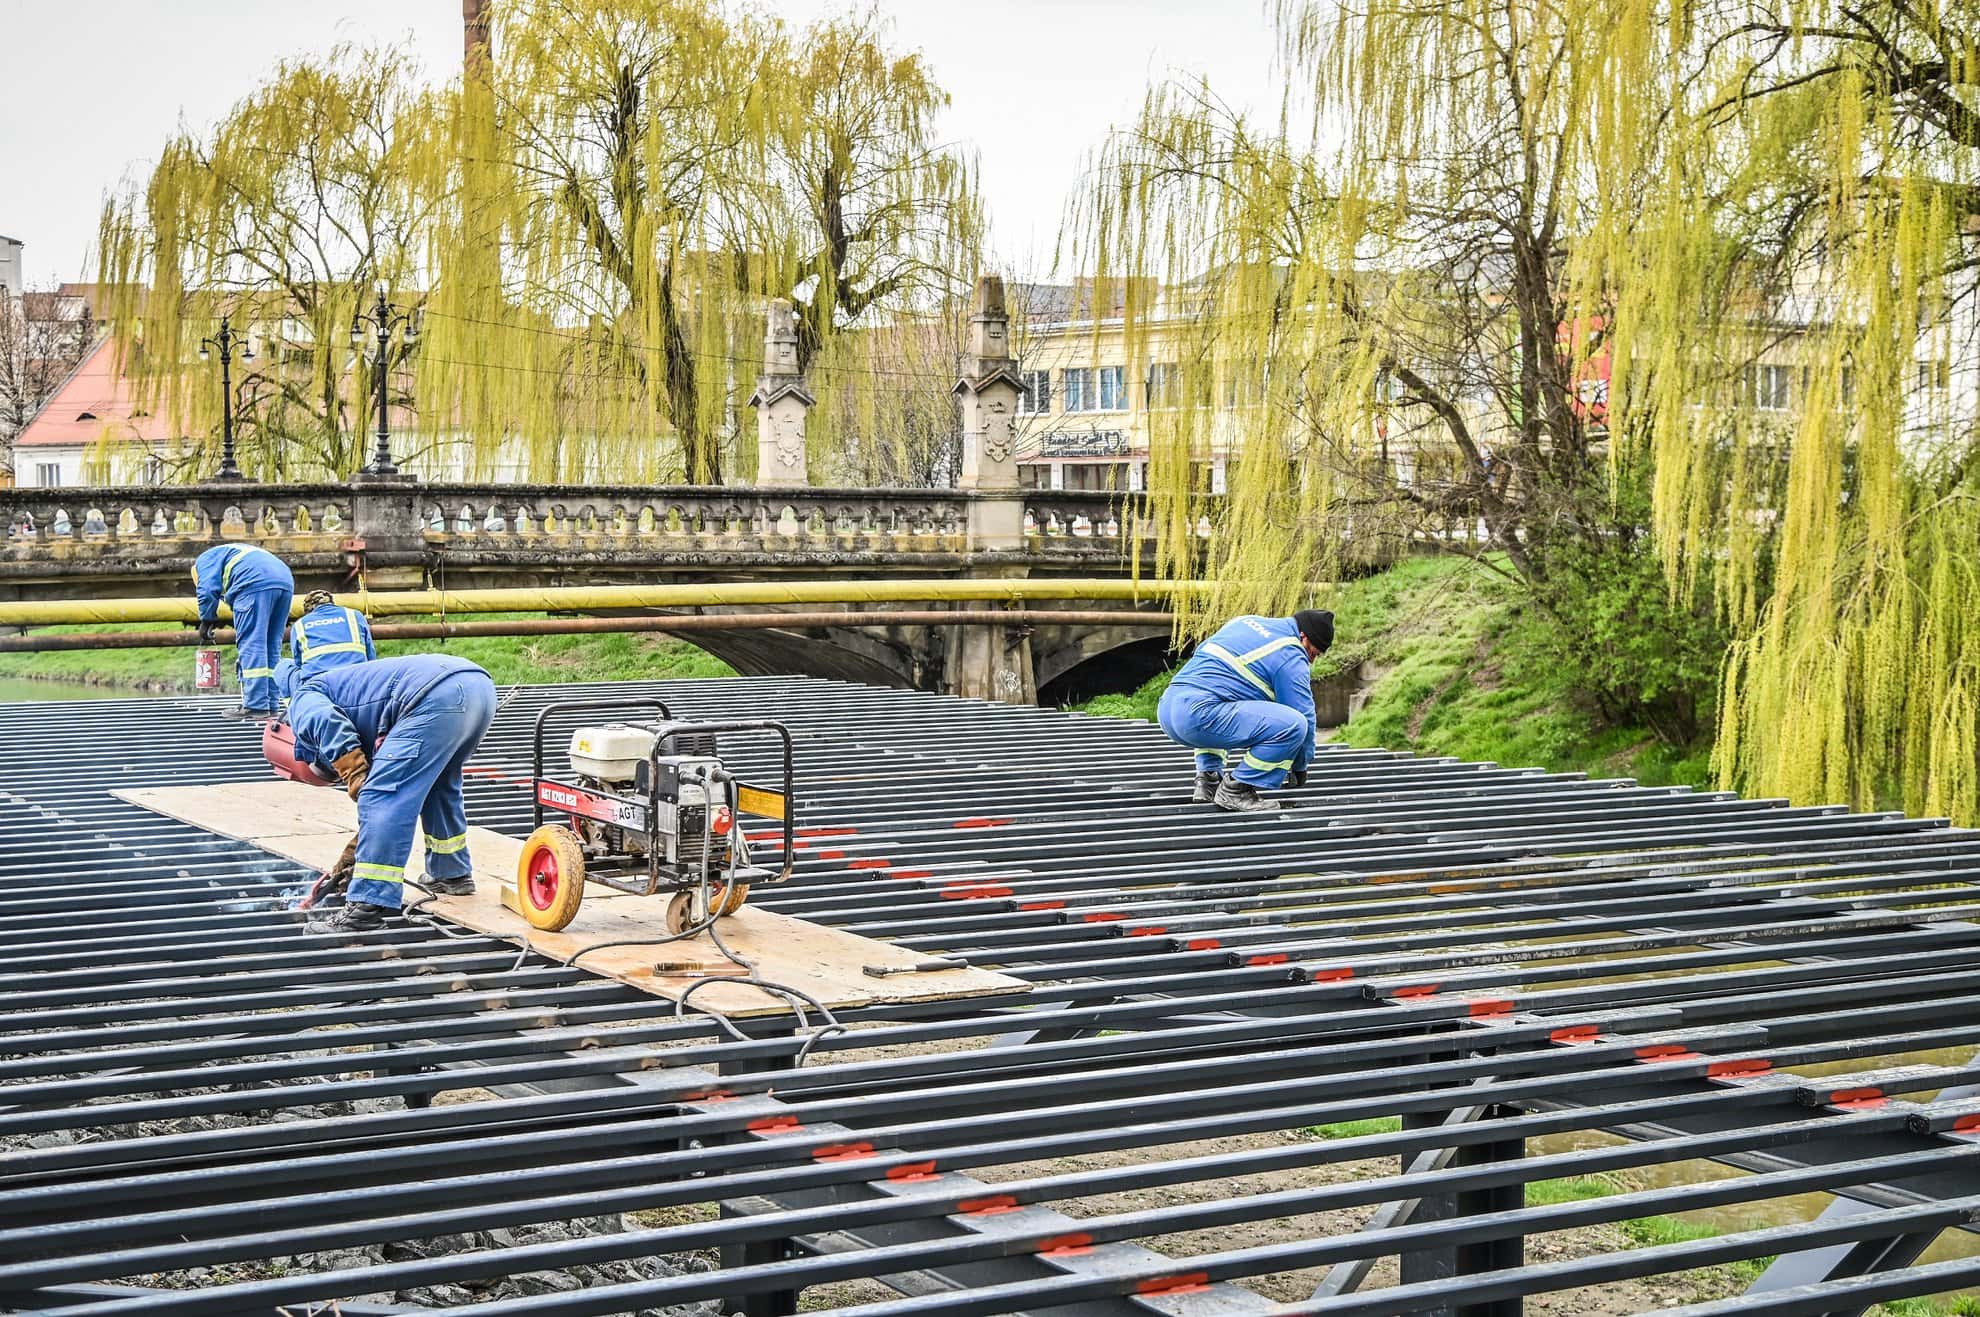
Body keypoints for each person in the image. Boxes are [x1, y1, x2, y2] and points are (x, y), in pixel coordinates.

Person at [287, 654, 499, 933]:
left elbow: (330, 727)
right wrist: (358, 853)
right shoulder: (350, 691)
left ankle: (364, 907)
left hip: (434, 696)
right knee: (439, 785)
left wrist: (358, 779)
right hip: (478, 687)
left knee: (381, 795)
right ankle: (451, 873)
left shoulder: (302, 699)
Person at [1158, 609, 1334, 813]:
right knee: (1295, 725)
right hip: (1199, 717)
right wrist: (1300, 765)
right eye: (1313, 653)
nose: (1311, 661)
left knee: (1228, 697)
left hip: (1168, 708)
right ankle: (1236, 790)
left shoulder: (1244, 621)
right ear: (1303, 637)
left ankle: (1208, 780)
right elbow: (1304, 715)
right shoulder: (1291, 653)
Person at [190, 543, 294, 719]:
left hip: (254, 583)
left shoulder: (204, 561)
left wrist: (207, 620)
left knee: (252, 644)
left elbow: (207, 591)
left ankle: (256, 705)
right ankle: (271, 704)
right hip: (284, 581)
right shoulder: (234, 551)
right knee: (271, 645)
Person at [291, 590, 377, 684]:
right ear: (332, 603)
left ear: (308, 609)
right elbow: (370, 654)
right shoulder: (354, 615)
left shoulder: (299, 625)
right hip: (356, 677)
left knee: (286, 665)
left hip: (318, 682)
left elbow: (298, 662)